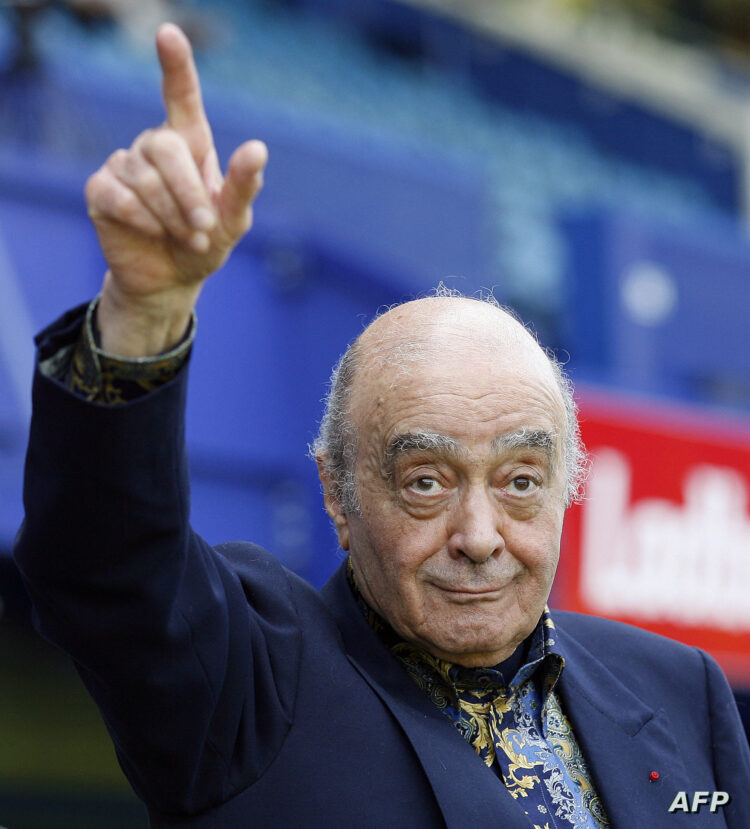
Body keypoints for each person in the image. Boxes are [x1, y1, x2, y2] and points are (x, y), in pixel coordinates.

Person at [13, 22, 750, 829]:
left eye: (520, 482)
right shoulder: (251, 685)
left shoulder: (683, 691)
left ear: (568, 488)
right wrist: (143, 315)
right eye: (427, 481)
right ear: (337, 491)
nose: (479, 534)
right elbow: (106, 556)